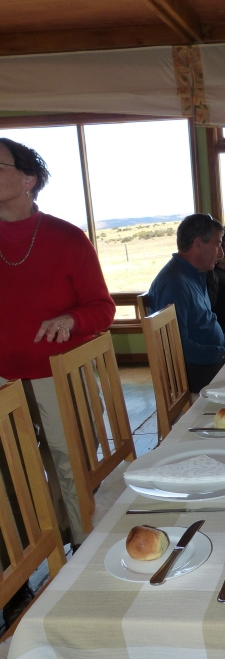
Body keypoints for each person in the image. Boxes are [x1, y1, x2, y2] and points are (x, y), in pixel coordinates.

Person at [0, 137, 115, 625]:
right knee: (11, 480)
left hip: (59, 372)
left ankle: (84, 557)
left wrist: (72, 319)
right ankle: (17, 577)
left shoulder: (67, 239)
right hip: (3, 380)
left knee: (71, 463)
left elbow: (103, 308)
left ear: (29, 179)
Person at [148, 214, 225, 393]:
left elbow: (201, 325)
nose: (221, 254)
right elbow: (179, 348)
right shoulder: (174, 284)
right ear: (198, 244)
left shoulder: (195, 274)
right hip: (195, 372)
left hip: (209, 363)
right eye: (217, 245)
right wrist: (222, 353)